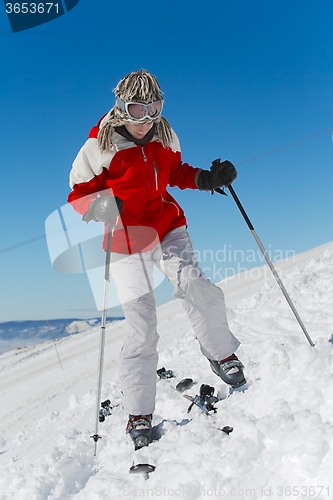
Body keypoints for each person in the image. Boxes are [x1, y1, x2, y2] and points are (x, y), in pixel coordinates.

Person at [68, 69, 246, 450]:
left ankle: (221, 354)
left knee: (195, 284)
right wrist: (101, 205)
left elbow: (174, 171)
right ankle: (138, 411)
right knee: (141, 322)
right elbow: (77, 195)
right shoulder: (98, 147)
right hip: (125, 240)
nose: (145, 119)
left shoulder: (165, 134)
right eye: (137, 109)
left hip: (166, 226)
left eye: (154, 108)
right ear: (121, 108)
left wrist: (206, 179)